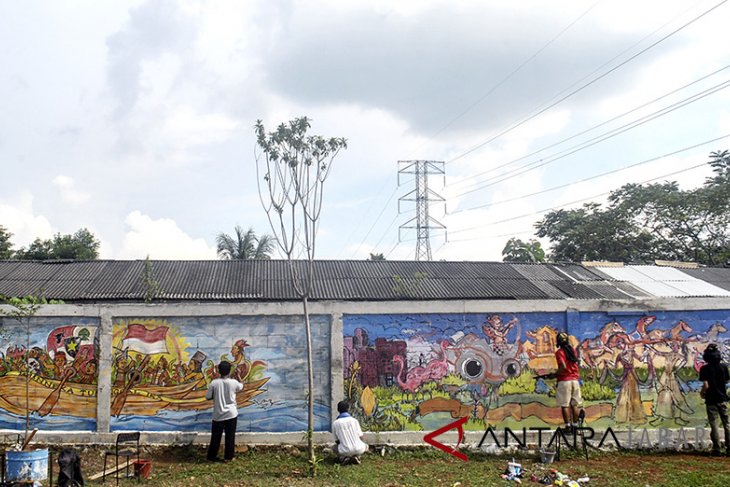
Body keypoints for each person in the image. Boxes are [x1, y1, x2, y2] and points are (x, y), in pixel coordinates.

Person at [206, 360, 243, 462]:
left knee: (215, 437)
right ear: (229, 371)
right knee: (230, 436)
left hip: (218, 414)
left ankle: (211, 457)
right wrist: (239, 375)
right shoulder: (234, 382)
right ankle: (229, 457)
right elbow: (241, 386)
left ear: (219, 370)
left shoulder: (214, 383)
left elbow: (208, 397)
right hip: (231, 413)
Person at [699, 343, 730, 456]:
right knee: (727, 423)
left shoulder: (704, 369)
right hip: (723, 398)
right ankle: (729, 448)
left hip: (711, 399)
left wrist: (702, 393)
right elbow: (726, 381)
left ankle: (717, 449)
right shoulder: (723, 367)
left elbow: (706, 385)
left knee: (714, 423)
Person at [555, 332, 582, 432]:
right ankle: (575, 425)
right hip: (575, 380)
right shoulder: (573, 351)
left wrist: (556, 374)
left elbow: (563, 366)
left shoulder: (560, 352)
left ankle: (568, 426)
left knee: (565, 405)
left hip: (564, 380)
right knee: (574, 404)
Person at [332, 400, 368, 464]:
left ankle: (343, 458)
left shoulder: (335, 423)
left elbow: (337, 441)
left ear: (338, 409)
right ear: (348, 409)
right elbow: (361, 436)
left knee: (334, 447)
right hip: (359, 448)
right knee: (365, 446)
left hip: (344, 450)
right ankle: (357, 456)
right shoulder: (354, 421)